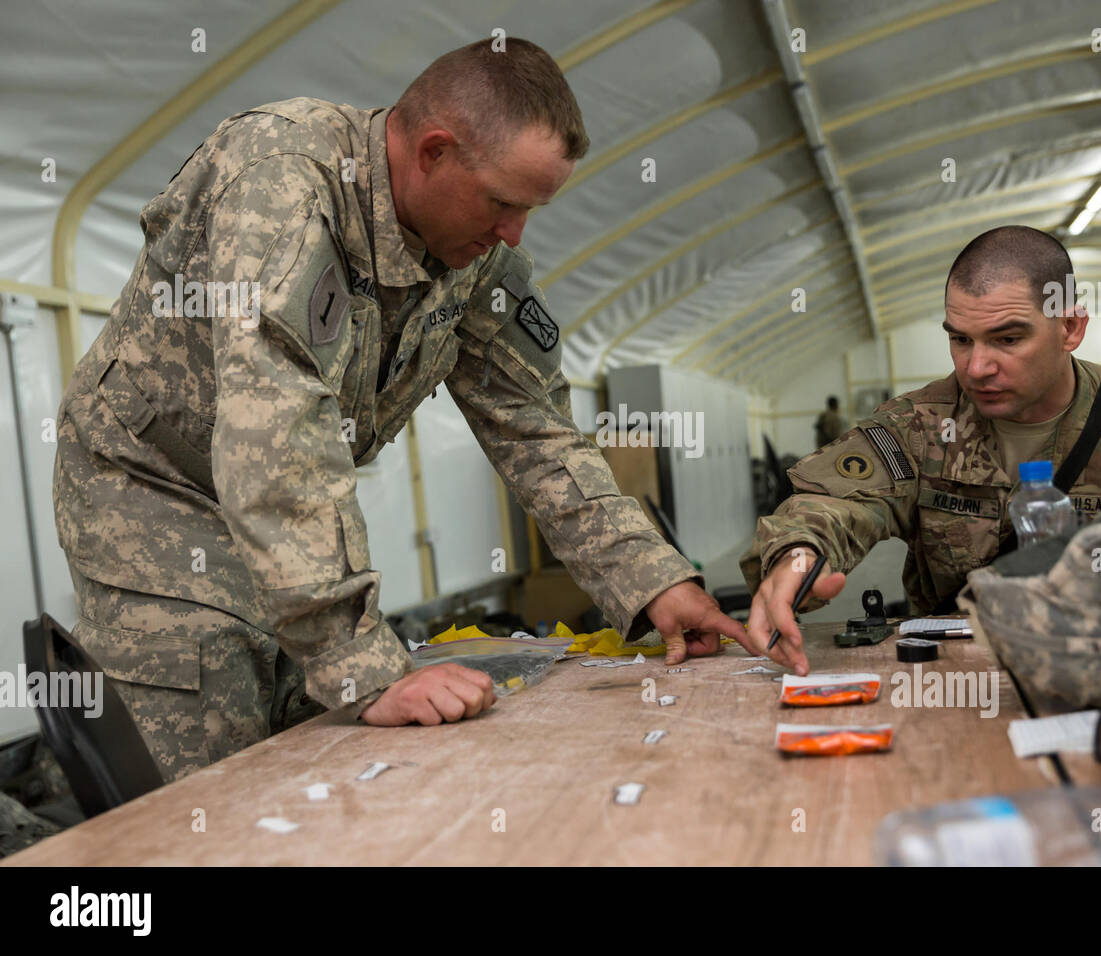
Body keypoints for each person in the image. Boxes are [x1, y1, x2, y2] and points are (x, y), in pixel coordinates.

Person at [52, 38, 745, 782]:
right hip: (153, 493)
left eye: (531, 210)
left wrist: (653, 580)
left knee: (323, 759)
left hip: (271, 506)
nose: (513, 234)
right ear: (434, 152)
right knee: (213, 767)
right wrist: (365, 669)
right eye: (504, 203)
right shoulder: (279, 178)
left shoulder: (475, 254)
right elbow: (276, 430)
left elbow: (536, 428)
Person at [736, 225, 1101, 675]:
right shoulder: (921, 425)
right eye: (961, 339)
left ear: (1070, 328)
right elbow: (835, 501)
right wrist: (798, 553)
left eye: (1007, 339)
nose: (976, 368)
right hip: (954, 679)